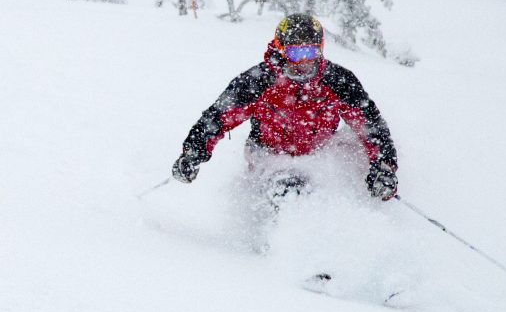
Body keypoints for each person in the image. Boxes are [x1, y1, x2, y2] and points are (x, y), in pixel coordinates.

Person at [171, 13, 398, 204]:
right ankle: (280, 235)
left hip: (319, 154)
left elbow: (370, 123)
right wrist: (192, 154)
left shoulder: (338, 81)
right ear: (281, 50)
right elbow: (217, 117)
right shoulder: (258, 81)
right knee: (290, 188)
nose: (303, 62)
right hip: (269, 155)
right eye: (295, 54)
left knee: (346, 156)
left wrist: (383, 167)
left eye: (309, 53)